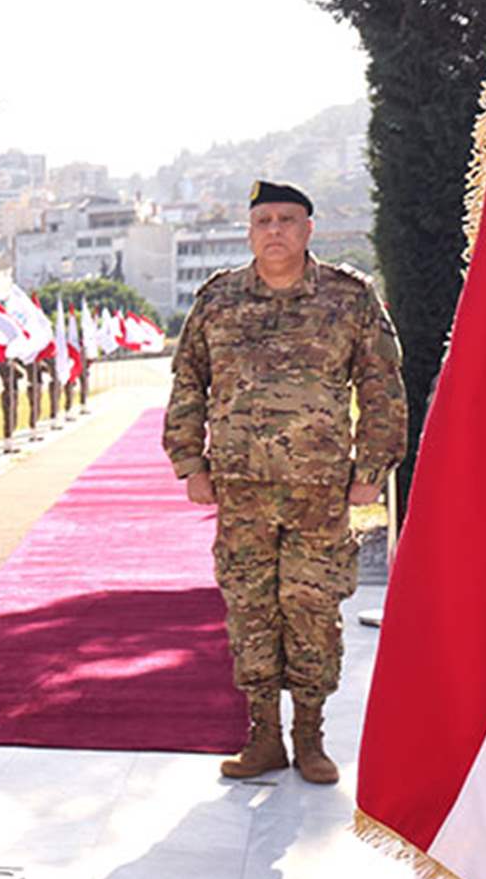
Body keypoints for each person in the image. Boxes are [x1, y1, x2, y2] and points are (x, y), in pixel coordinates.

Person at [164, 180, 408, 785]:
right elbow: (188, 382)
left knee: (312, 608)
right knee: (249, 609)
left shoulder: (349, 298)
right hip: (241, 489)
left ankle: (310, 736)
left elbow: (381, 387)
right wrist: (190, 463)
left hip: (319, 491)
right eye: (263, 220)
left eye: (287, 219)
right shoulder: (218, 301)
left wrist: (371, 471)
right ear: (250, 231)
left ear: (308, 229)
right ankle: (263, 737)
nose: (274, 230)